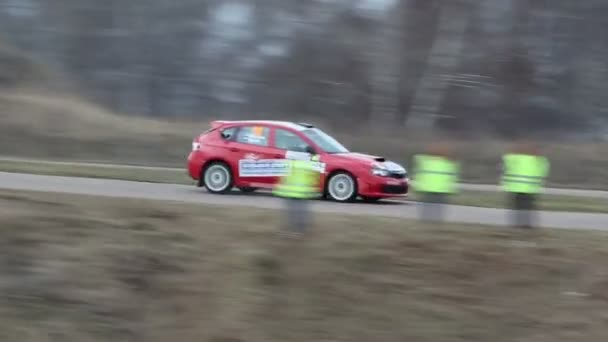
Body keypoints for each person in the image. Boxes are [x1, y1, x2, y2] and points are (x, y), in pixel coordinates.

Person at [501, 141, 550, 228]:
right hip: (530, 188)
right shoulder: (540, 160)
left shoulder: (513, 158)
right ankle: (526, 226)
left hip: (516, 188)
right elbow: (544, 172)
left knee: (518, 208)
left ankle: (518, 225)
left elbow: (506, 165)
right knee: (527, 208)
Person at [272, 154, 322, 237]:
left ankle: (291, 229)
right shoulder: (309, 165)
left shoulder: (288, 164)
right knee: (302, 212)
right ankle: (301, 230)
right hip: (303, 192)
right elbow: (314, 178)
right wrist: (313, 189)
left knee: (290, 213)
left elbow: (281, 178)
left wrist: (278, 189)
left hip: (289, 192)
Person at [412, 143, 460, 222]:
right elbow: (452, 176)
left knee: (428, 208)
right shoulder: (448, 162)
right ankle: (434, 221)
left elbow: (419, 173)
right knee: (437, 208)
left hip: (428, 189)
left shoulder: (425, 161)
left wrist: (417, 187)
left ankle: (427, 221)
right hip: (440, 190)